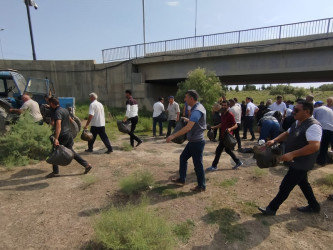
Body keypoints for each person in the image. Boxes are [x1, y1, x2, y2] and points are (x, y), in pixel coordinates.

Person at [258, 101, 322, 215]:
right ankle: (314, 206)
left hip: (302, 162)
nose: (293, 112)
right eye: (294, 109)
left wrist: (293, 154)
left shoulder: (313, 126)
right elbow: (287, 134)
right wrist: (274, 140)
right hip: (297, 161)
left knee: (285, 186)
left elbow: (314, 146)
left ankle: (272, 208)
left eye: (297, 110)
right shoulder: (297, 122)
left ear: (307, 112)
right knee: (303, 183)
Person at [166, 90, 206, 192]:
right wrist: (188, 119)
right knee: (183, 157)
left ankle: (201, 186)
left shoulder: (197, 110)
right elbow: (195, 123)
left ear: (191, 98)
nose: (185, 99)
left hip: (197, 142)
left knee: (198, 164)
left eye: (186, 97)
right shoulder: (198, 107)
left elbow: (188, 128)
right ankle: (182, 179)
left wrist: (173, 136)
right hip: (193, 141)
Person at [46, 97, 92, 178]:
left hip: (62, 135)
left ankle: (55, 172)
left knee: (55, 152)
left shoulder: (57, 112)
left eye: (50, 104)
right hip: (68, 134)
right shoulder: (64, 110)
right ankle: (87, 165)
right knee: (71, 151)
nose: (49, 106)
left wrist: (56, 138)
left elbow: (58, 125)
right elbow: (71, 120)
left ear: (52, 104)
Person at [206, 100, 243, 171]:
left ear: (228, 106)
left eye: (225, 105)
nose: (223, 106)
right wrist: (214, 127)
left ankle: (214, 166)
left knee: (218, 150)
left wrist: (230, 129)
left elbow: (236, 125)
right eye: (222, 105)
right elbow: (222, 124)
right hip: (222, 135)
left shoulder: (230, 114)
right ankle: (238, 162)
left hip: (227, 136)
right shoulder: (222, 114)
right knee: (227, 150)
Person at [313, 101, 333, 166]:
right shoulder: (330, 110)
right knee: (325, 146)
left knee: (317, 144)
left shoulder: (316, 109)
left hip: (321, 128)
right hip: (330, 129)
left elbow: (313, 119)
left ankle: (314, 160)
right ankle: (322, 161)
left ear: (316, 105)